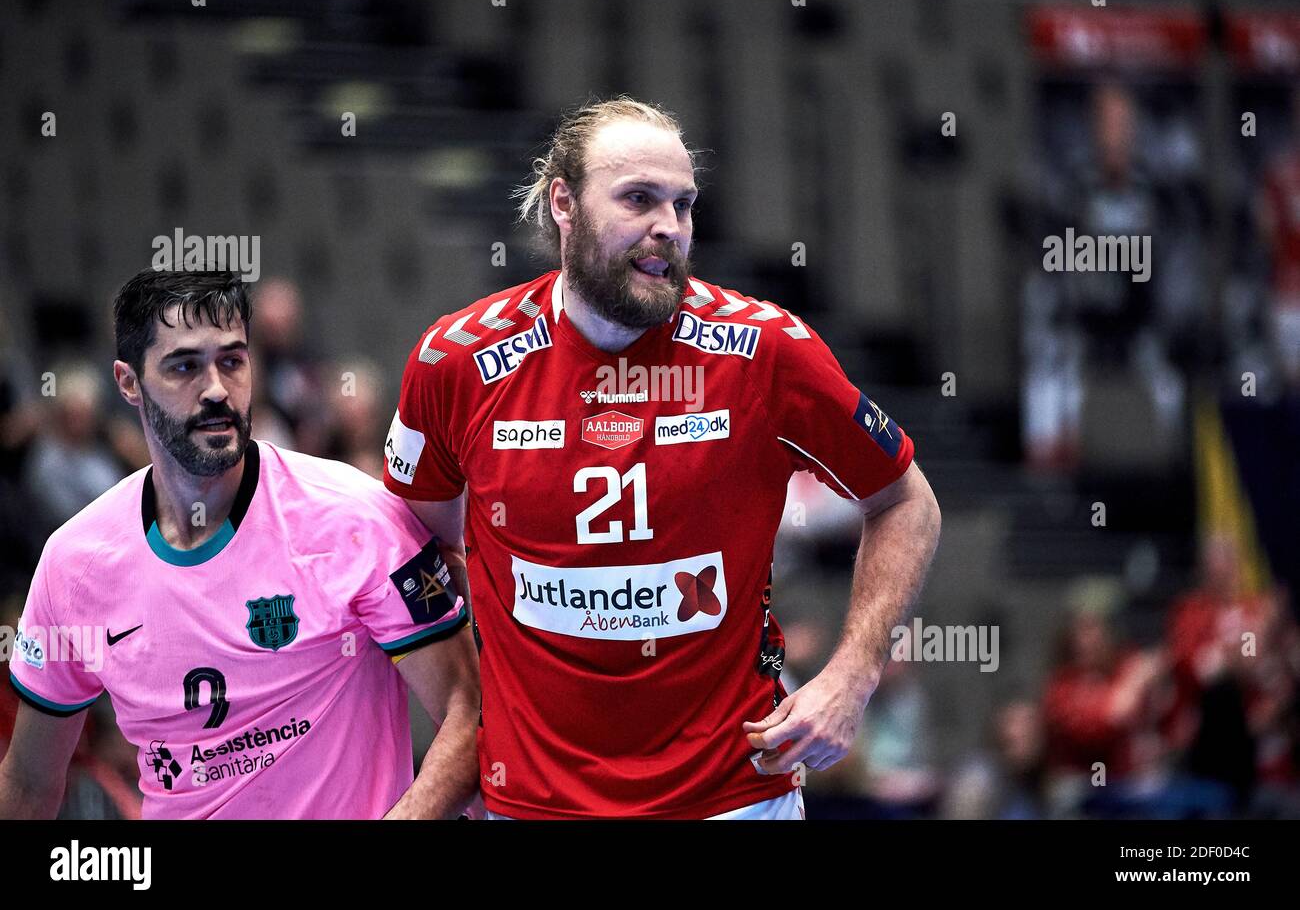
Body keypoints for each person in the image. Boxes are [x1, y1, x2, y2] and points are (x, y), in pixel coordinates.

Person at [383, 96, 942, 819]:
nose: (667, 229)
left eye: (683, 205)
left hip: (735, 797)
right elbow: (419, 545)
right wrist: (470, 723)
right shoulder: (457, 361)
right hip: (536, 804)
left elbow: (905, 499)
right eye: (639, 199)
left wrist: (854, 671)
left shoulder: (767, 353)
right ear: (564, 204)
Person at [0, 269, 480, 819]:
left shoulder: (357, 519)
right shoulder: (74, 563)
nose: (216, 390)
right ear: (128, 382)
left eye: (232, 361)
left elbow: (466, 713)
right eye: (184, 366)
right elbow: (30, 784)